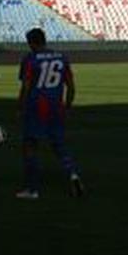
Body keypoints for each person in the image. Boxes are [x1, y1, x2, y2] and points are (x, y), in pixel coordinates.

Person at [15, 27, 84, 199]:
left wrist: (19, 108)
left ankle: (32, 189)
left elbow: (26, 86)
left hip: (36, 107)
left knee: (30, 146)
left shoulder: (30, 59)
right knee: (59, 145)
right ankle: (73, 174)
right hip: (56, 107)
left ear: (30, 43)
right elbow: (71, 86)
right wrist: (67, 106)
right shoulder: (62, 58)